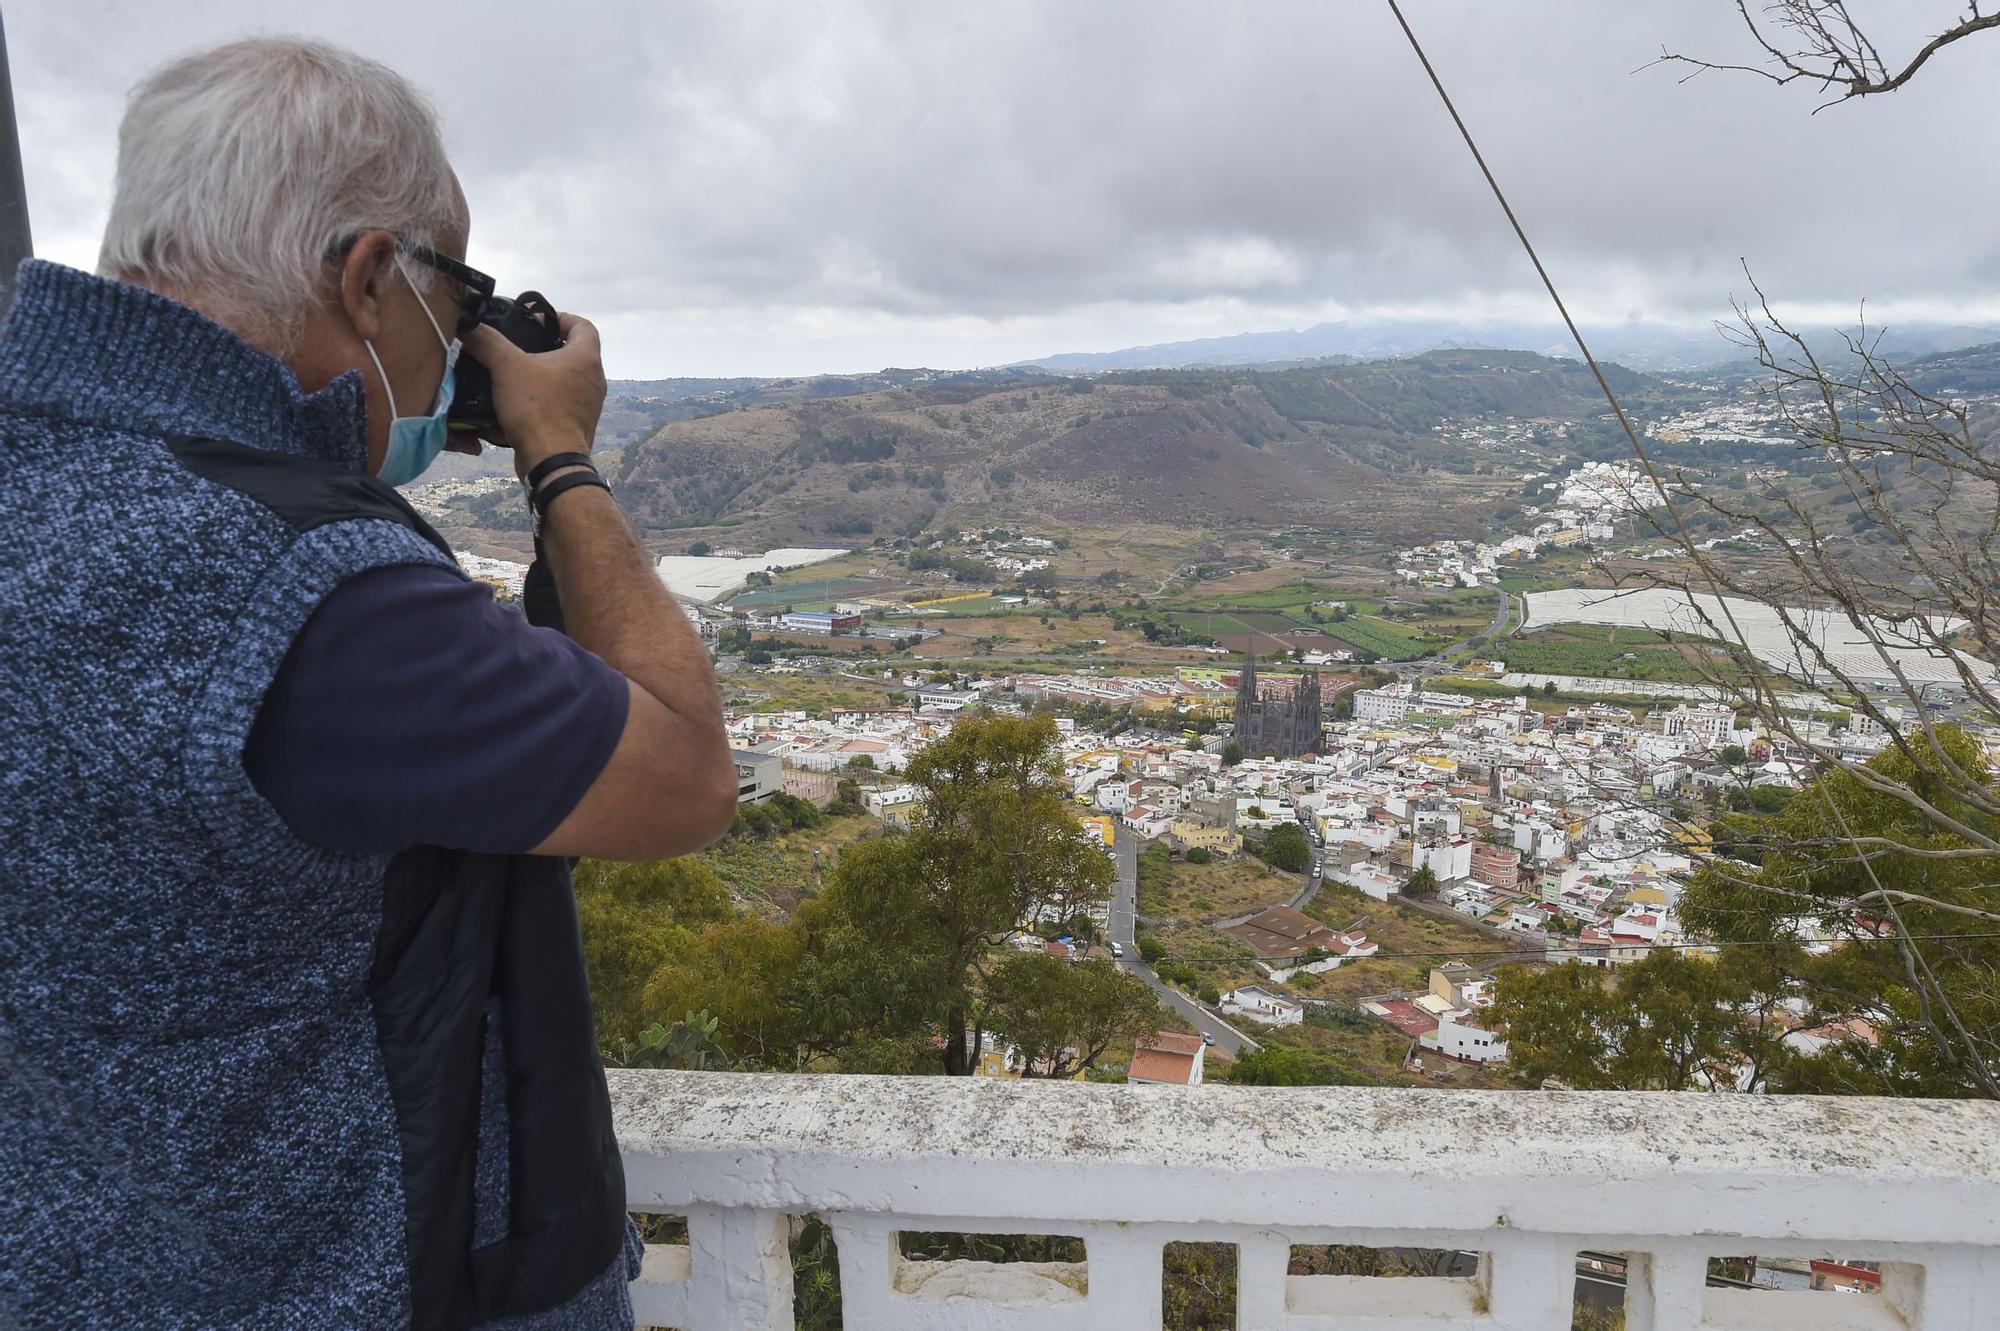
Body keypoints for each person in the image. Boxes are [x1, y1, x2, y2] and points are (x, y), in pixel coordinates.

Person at [0, 37, 737, 1331]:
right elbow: (683, 778)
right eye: (452, 313)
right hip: (351, 1283)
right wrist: (559, 453)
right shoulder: (316, 596)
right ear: (361, 278)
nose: (456, 357)